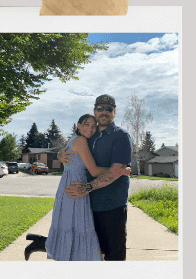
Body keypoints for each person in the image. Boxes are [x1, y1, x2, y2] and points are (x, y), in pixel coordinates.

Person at [25, 114, 131, 260]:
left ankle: (40, 242)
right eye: (87, 124)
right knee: (77, 230)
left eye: (94, 126)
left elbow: (64, 154)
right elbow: (93, 170)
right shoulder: (81, 141)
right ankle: (42, 243)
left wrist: (59, 153)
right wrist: (120, 170)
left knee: (72, 229)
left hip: (69, 187)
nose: (91, 129)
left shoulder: (75, 139)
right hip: (76, 189)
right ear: (79, 125)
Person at [56, 94, 134, 261]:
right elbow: (71, 150)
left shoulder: (121, 136)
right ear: (94, 111)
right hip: (86, 206)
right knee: (89, 254)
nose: (104, 112)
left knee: (114, 257)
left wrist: (88, 187)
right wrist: (59, 154)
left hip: (112, 207)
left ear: (114, 112)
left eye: (108, 109)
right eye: (100, 108)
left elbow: (115, 171)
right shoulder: (88, 136)